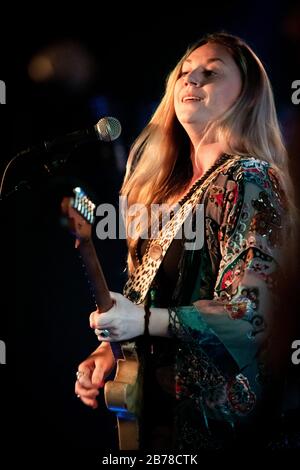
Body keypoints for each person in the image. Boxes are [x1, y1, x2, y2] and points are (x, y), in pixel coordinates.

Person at [74, 32, 296, 450]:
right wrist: (115, 350)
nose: (191, 81)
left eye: (210, 73)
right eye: (184, 73)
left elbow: (250, 316)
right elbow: (153, 305)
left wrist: (140, 322)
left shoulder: (250, 179)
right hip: (161, 423)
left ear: (246, 94)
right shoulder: (165, 192)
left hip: (224, 435)